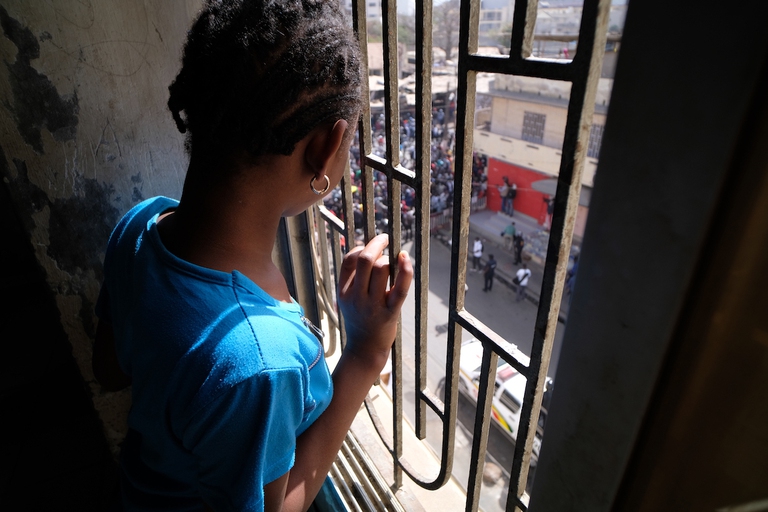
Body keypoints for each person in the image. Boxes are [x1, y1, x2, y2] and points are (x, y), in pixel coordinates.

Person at [91, 2, 414, 511]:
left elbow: (110, 370)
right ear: (326, 145)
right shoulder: (262, 361)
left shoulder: (140, 223)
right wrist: (365, 354)